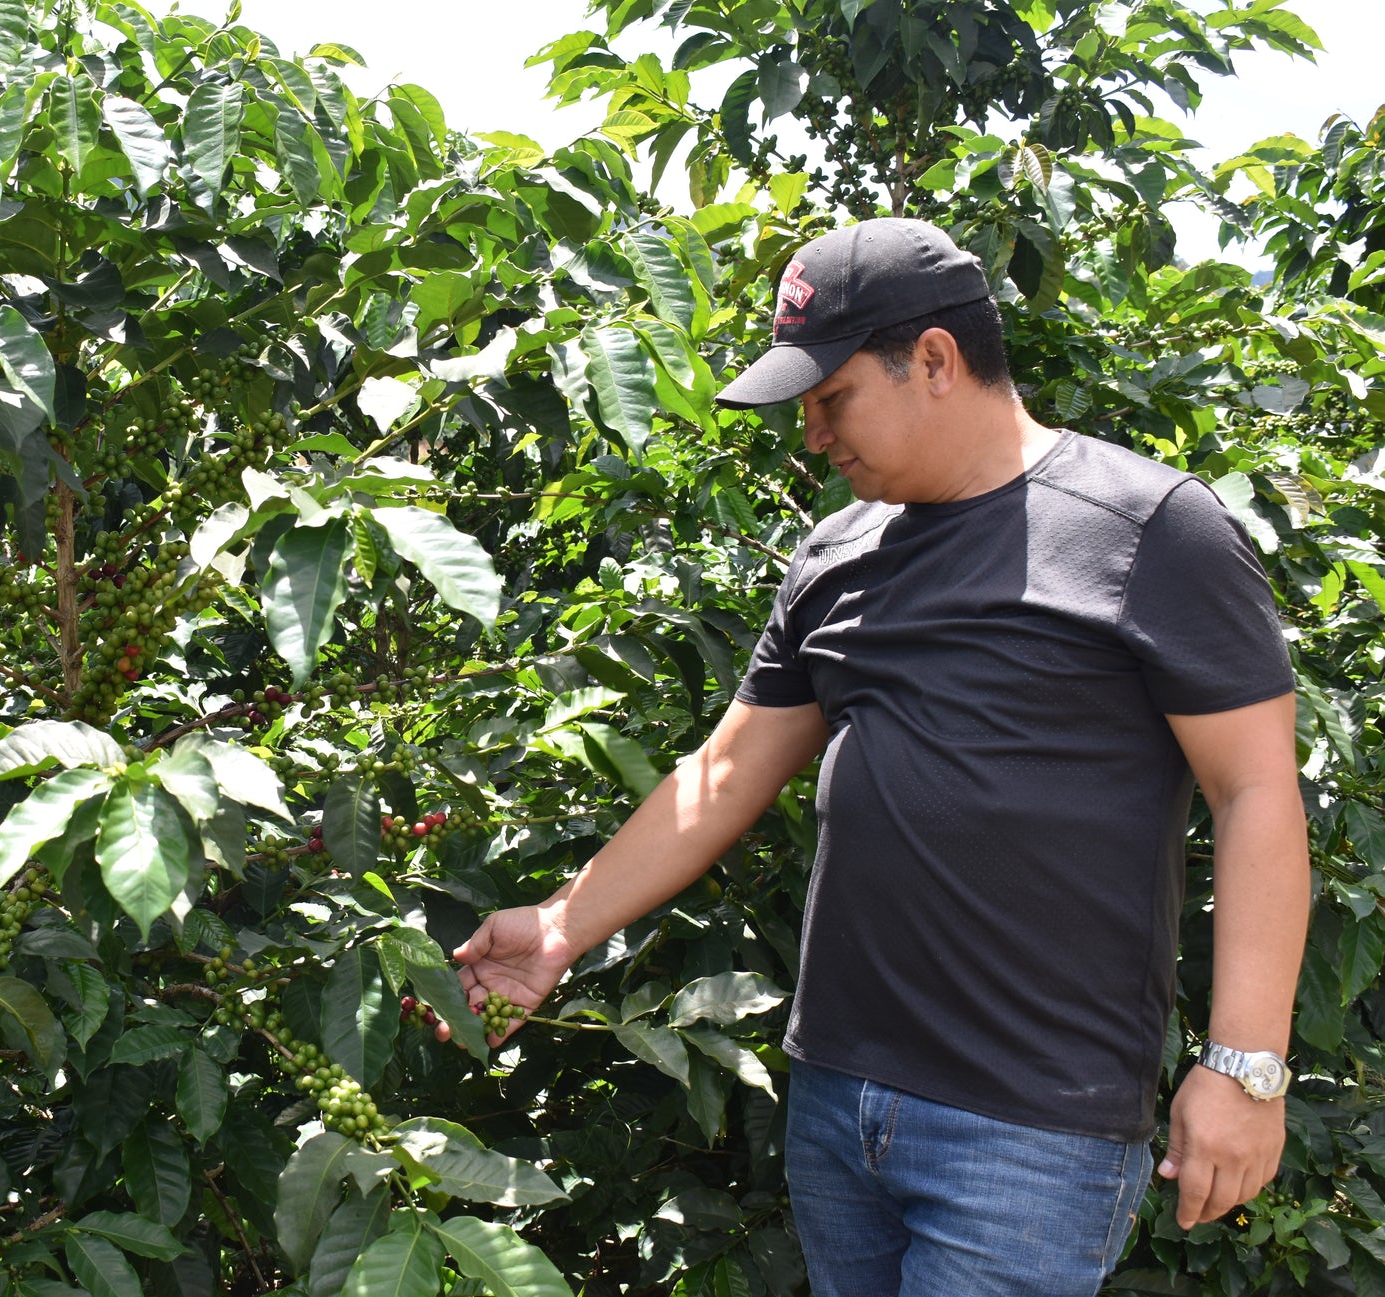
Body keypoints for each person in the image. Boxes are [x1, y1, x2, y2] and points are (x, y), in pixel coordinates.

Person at [444, 218, 1309, 1296]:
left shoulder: (1145, 529)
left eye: (829, 397)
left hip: (1028, 1126)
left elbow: (1255, 791)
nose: (810, 435)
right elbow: (725, 771)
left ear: (935, 361)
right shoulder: (838, 549)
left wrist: (1242, 1068)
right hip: (838, 1101)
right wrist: (563, 925)